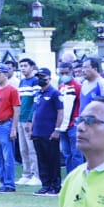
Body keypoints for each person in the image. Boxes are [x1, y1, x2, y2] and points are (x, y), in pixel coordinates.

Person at [0, 62, 20, 193]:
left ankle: (9, 183)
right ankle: (2, 181)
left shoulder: (12, 90)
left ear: (5, 74)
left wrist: (13, 128)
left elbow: (16, 110)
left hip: (5, 125)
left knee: (8, 156)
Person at [31, 68, 64, 196]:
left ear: (49, 78)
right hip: (38, 132)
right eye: (38, 77)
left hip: (50, 132)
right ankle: (45, 185)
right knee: (42, 160)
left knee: (53, 160)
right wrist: (32, 129)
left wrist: (57, 130)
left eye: (43, 77)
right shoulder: (38, 93)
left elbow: (60, 112)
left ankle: (55, 186)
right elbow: (35, 112)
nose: (40, 79)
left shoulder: (55, 93)